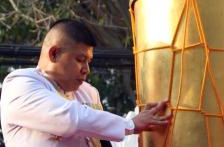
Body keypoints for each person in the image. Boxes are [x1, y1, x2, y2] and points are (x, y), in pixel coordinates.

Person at [1, 19, 171, 146]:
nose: (86, 69)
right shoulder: (20, 84)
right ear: (54, 54)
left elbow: (102, 140)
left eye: (88, 61)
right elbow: (69, 118)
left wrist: (139, 121)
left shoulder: (89, 93)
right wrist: (131, 124)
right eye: (80, 60)